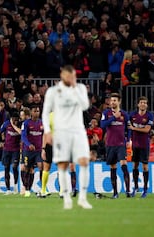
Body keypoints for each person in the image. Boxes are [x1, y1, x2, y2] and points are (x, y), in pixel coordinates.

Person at [42, 65, 92, 209]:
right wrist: (47, 131)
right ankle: (66, 198)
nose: (71, 78)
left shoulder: (80, 88)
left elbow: (84, 106)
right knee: (62, 164)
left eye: (73, 76)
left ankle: (82, 198)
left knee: (83, 162)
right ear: (62, 76)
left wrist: (75, 88)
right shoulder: (53, 92)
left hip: (78, 130)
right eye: (68, 76)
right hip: (61, 132)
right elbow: (45, 113)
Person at [100, 93, 131, 198]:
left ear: (119, 102)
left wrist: (128, 139)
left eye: (114, 100)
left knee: (123, 164)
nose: (112, 102)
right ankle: (115, 193)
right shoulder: (106, 113)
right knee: (113, 167)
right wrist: (114, 117)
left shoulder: (124, 114)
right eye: (111, 100)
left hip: (121, 144)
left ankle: (128, 191)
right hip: (110, 144)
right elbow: (103, 125)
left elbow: (129, 128)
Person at [128, 96, 154, 198]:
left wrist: (134, 128)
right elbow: (129, 128)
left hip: (144, 145)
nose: (143, 104)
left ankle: (145, 189)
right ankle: (135, 187)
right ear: (138, 104)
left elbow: (147, 130)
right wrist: (129, 138)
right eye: (141, 102)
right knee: (134, 165)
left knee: (144, 166)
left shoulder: (149, 116)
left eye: (145, 103)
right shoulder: (133, 115)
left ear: (147, 105)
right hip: (135, 145)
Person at [21, 105, 43, 197]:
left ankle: (43, 188)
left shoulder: (42, 123)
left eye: (38, 111)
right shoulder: (26, 123)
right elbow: (23, 136)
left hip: (39, 150)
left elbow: (45, 135)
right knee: (27, 169)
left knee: (41, 167)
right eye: (35, 111)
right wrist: (28, 144)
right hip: (28, 151)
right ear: (31, 112)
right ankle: (27, 189)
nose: (37, 112)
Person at [0, 112, 21, 195]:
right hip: (6, 150)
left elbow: (21, 133)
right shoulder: (6, 124)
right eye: (14, 120)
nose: (15, 121)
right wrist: (2, 140)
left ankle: (15, 187)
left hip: (16, 149)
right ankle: (8, 189)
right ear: (11, 119)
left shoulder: (20, 125)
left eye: (16, 120)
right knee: (6, 168)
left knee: (15, 167)